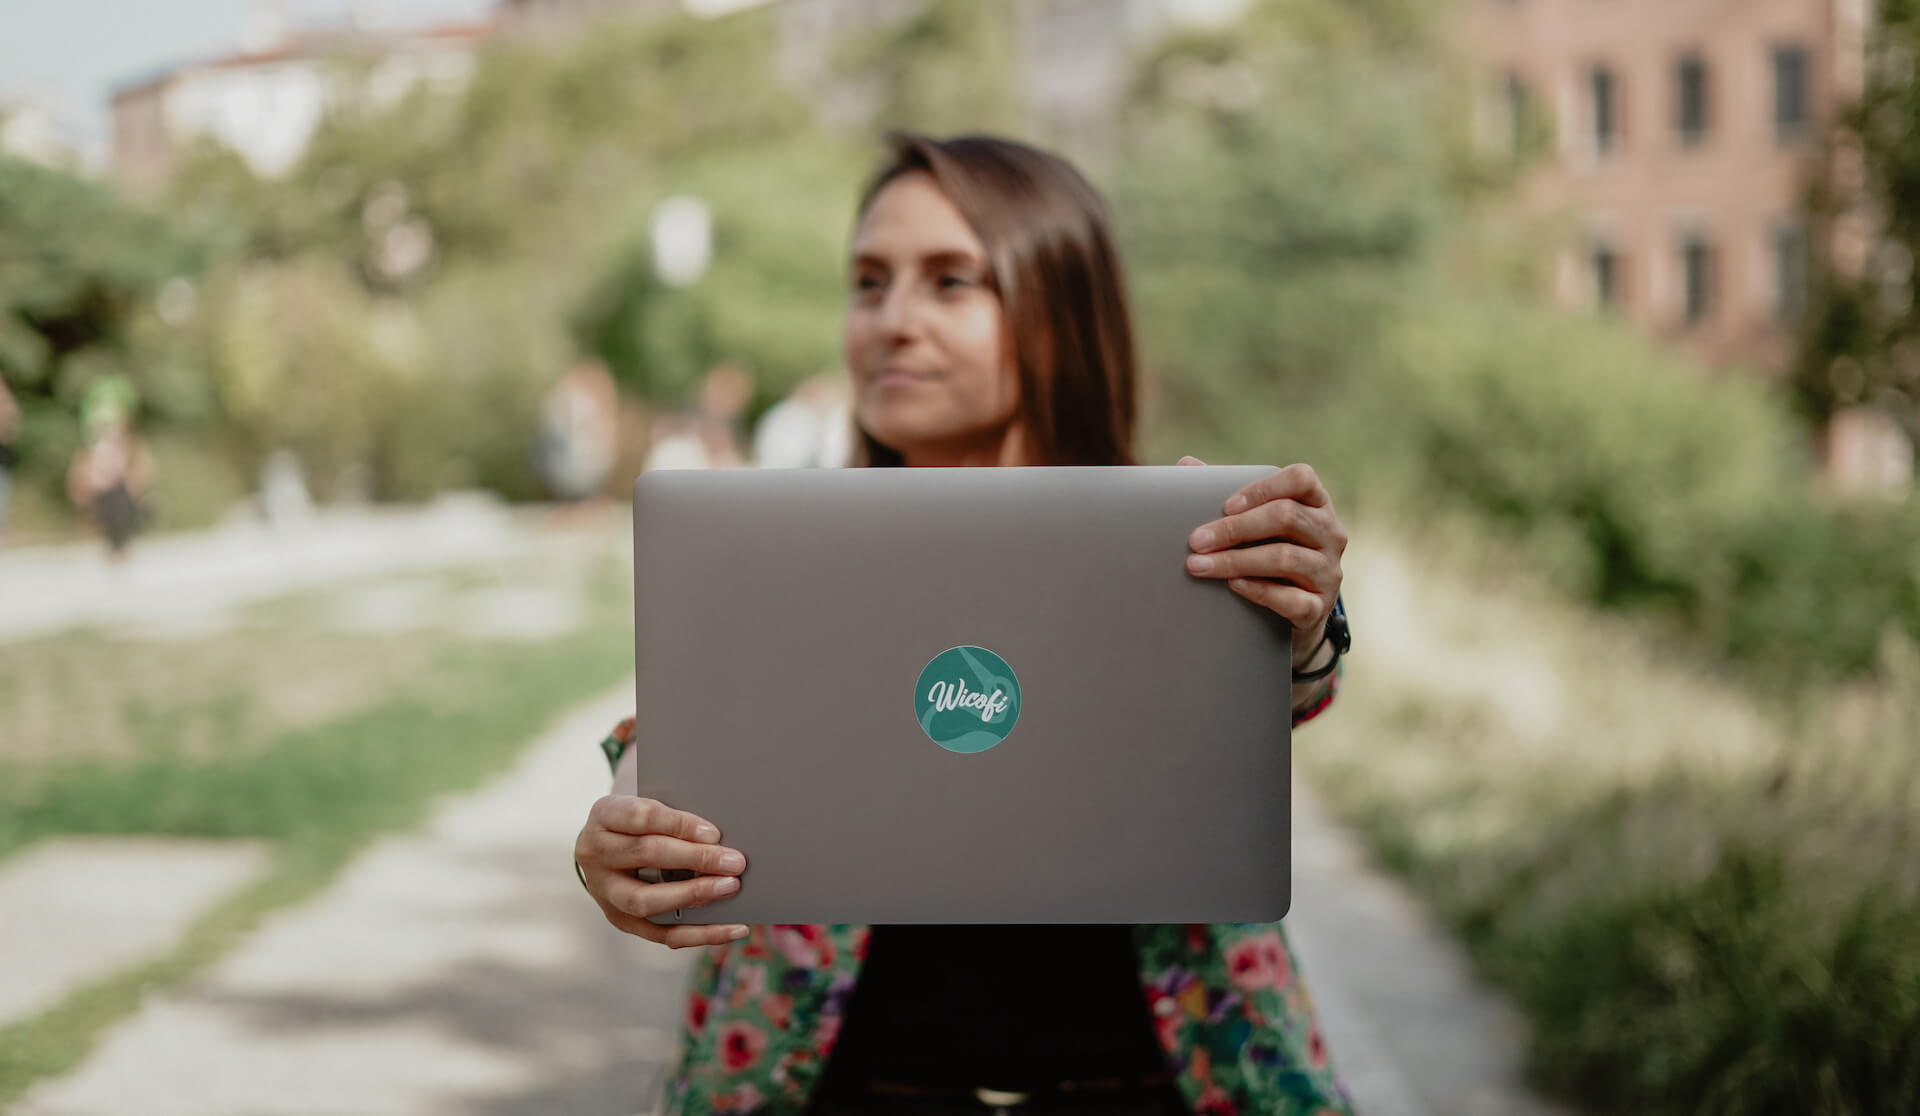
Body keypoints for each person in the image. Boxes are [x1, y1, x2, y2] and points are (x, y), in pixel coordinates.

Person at [574, 133, 1352, 1116]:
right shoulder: (789, 554)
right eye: (868, 282)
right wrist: (634, 831)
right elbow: (685, 742)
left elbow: (1292, 687)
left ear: (1060, 311)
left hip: (1158, 1086)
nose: (893, 320)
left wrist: (1303, 622)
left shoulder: (1177, 539)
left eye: (951, 282)